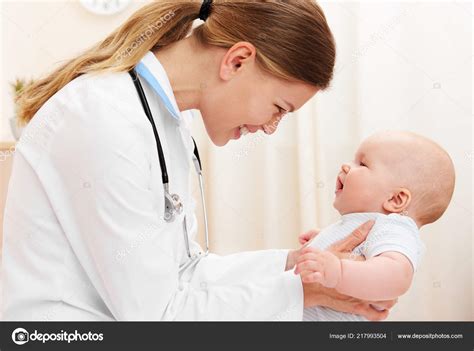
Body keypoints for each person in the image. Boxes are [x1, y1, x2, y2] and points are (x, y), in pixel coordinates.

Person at [2, 0, 395, 320]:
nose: (271, 127)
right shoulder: (104, 117)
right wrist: (301, 292)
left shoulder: (165, 121)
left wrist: (293, 264)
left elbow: (183, 272)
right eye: (278, 108)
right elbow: (157, 316)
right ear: (238, 60)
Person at [296, 131, 455, 321]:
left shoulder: (394, 227)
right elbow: (358, 251)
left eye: (362, 164)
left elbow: (398, 275)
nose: (346, 166)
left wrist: (338, 271)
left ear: (395, 199)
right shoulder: (370, 225)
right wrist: (323, 238)